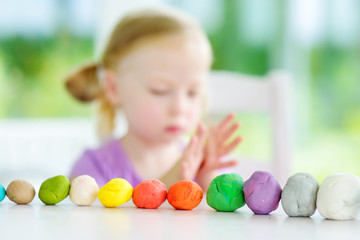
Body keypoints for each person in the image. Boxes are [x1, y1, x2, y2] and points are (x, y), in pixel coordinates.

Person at [65, 7, 242, 191]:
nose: (179, 107)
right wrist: (171, 181)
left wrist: (208, 185)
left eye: (192, 92)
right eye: (160, 90)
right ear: (114, 88)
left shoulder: (202, 163)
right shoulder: (92, 169)